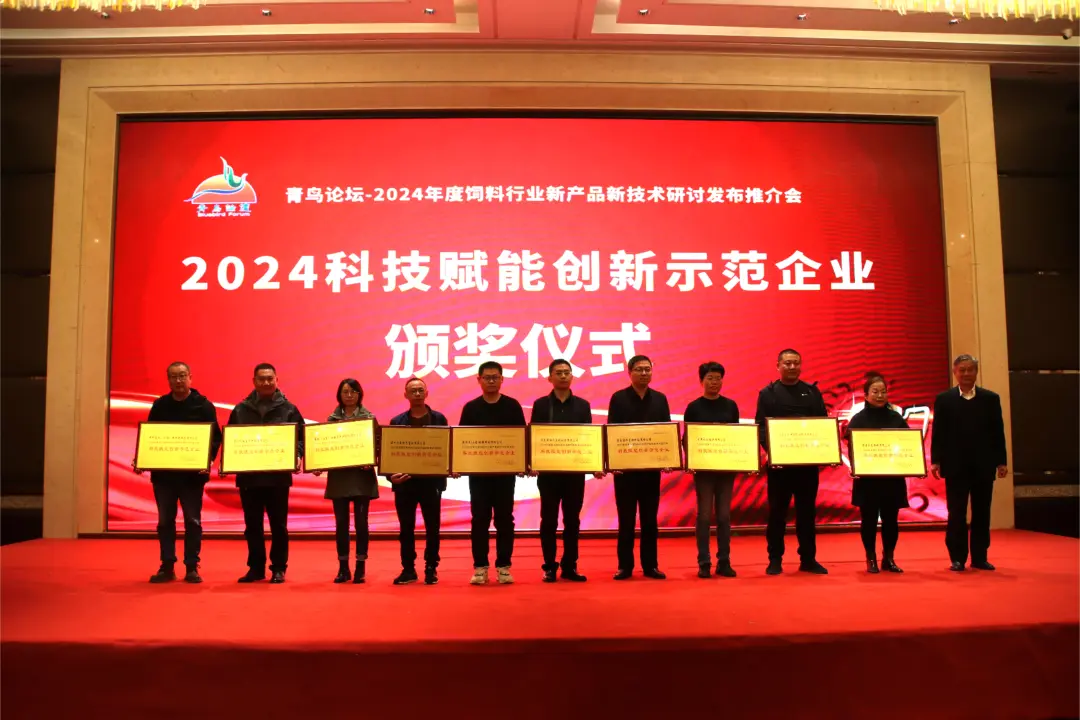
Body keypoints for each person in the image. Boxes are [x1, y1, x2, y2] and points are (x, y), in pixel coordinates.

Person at [136, 361, 221, 584]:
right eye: (174, 377)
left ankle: (192, 566)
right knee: (165, 521)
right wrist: (143, 458)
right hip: (164, 477)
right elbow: (150, 437)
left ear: (190, 377)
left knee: (193, 521)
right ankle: (167, 565)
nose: (178, 380)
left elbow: (216, 438)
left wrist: (208, 459)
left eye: (182, 375)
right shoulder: (160, 405)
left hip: (192, 477)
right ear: (168, 380)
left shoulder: (203, 406)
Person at [225, 363, 305, 584]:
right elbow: (231, 440)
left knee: (279, 526)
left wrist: (298, 454)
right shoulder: (240, 410)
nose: (266, 382)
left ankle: (279, 568)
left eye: (270, 378)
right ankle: (256, 568)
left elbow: (301, 437)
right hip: (249, 478)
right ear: (254, 382)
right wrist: (228, 462)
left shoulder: (289, 409)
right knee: (252, 526)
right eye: (261, 379)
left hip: (277, 478)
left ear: (277, 380)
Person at [754, 348, 829, 576]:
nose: (792, 367)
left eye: (796, 363)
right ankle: (775, 559)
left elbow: (822, 426)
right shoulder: (768, 393)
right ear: (778, 366)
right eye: (787, 363)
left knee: (807, 514)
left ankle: (808, 559)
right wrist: (773, 452)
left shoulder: (812, 392)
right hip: (780, 467)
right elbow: (761, 428)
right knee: (777, 514)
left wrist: (823, 452)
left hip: (807, 466)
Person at [931, 355, 1008, 572]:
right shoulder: (944, 399)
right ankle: (957, 558)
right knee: (956, 513)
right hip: (955, 466)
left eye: (970, 369)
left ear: (976, 372)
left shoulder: (990, 399)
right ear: (955, 372)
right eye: (962, 370)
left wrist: (1001, 461)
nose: (966, 374)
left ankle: (980, 557)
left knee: (982, 512)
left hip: (983, 465)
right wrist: (936, 460)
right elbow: (938, 432)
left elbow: (997, 432)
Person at [459, 361, 526, 585]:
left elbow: (521, 438)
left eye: (495, 377)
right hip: (479, 476)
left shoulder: (512, 406)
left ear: (502, 379)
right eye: (486, 377)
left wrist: (522, 463)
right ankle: (480, 567)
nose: (491, 381)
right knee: (479, 520)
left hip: (505, 475)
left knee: (505, 520)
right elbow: (462, 440)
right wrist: (459, 465)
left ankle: (504, 567)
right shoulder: (471, 408)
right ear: (478, 380)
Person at [607, 354, 672, 581]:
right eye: (639, 369)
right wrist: (613, 462)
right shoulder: (618, 398)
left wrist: (668, 458)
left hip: (650, 471)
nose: (644, 373)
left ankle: (650, 565)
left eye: (647, 369)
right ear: (629, 372)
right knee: (626, 520)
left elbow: (665, 432)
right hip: (625, 471)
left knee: (649, 520)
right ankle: (624, 566)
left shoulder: (660, 399)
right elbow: (612, 431)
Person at [530, 359, 593, 583]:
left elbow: (589, 439)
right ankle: (549, 566)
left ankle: (570, 565)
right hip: (548, 474)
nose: (564, 376)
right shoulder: (541, 405)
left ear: (572, 376)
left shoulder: (583, 405)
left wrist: (594, 464)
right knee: (548, 520)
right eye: (559, 373)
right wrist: (532, 462)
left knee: (572, 520)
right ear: (550, 378)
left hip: (574, 474)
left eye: (567, 372)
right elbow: (534, 436)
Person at [314, 379, 379, 584]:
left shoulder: (369, 419)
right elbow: (325, 449)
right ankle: (343, 568)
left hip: (361, 478)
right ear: (339, 395)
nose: (349, 395)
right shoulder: (331, 420)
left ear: (360, 394)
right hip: (339, 478)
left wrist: (372, 460)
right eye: (345, 392)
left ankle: (360, 566)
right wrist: (318, 463)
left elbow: (378, 447)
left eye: (353, 391)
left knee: (361, 523)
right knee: (341, 524)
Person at [845, 373, 910, 574]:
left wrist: (911, 464)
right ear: (866, 395)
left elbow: (908, 446)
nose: (880, 395)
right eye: (875, 392)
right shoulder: (858, 419)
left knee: (891, 521)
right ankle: (871, 558)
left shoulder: (896, 418)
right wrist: (856, 466)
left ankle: (888, 558)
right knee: (869, 520)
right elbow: (852, 447)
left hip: (892, 478)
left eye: (883, 392)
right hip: (868, 480)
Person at [387, 377, 449, 586]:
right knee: (406, 529)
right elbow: (389, 454)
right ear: (405, 395)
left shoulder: (439, 419)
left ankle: (431, 567)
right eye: (412, 390)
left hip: (431, 484)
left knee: (433, 528)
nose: (417, 393)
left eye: (420, 390)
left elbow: (447, 449)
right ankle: (408, 569)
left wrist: (450, 467)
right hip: (405, 484)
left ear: (426, 393)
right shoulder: (397, 422)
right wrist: (390, 476)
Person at [684, 361, 740, 579]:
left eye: (718, 378)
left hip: (726, 469)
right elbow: (687, 439)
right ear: (701, 381)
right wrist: (692, 460)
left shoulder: (731, 406)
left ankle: (724, 561)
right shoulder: (693, 407)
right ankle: (704, 562)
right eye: (710, 378)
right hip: (704, 471)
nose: (714, 382)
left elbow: (737, 437)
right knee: (705, 516)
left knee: (724, 516)